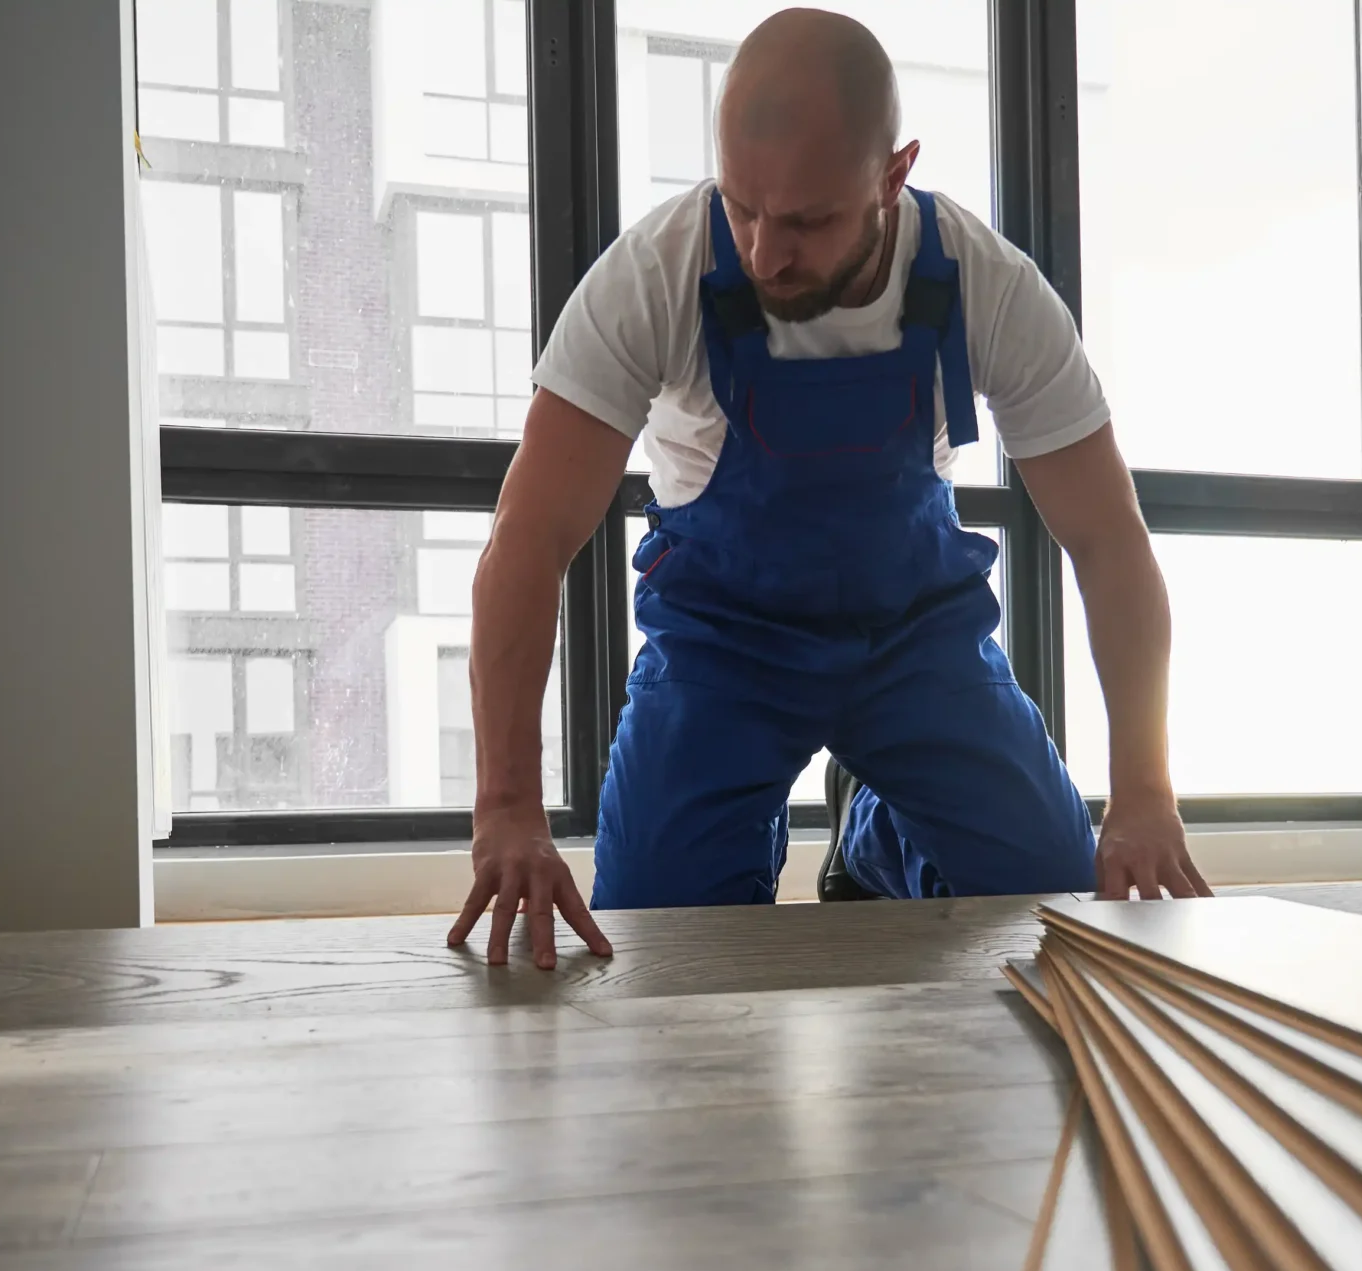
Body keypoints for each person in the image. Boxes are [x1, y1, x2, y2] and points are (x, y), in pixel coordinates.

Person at [448, 6, 1210, 970]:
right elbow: (528, 539)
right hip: (723, 643)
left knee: (1052, 900)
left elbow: (1109, 540)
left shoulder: (988, 287)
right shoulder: (653, 273)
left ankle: (872, 833)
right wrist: (508, 809)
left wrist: (1146, 792)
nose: (765, 251)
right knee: (656, 939)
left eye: (806, 220)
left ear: (895, 175)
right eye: (741, 206)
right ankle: (742, 827)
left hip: (914, 636)